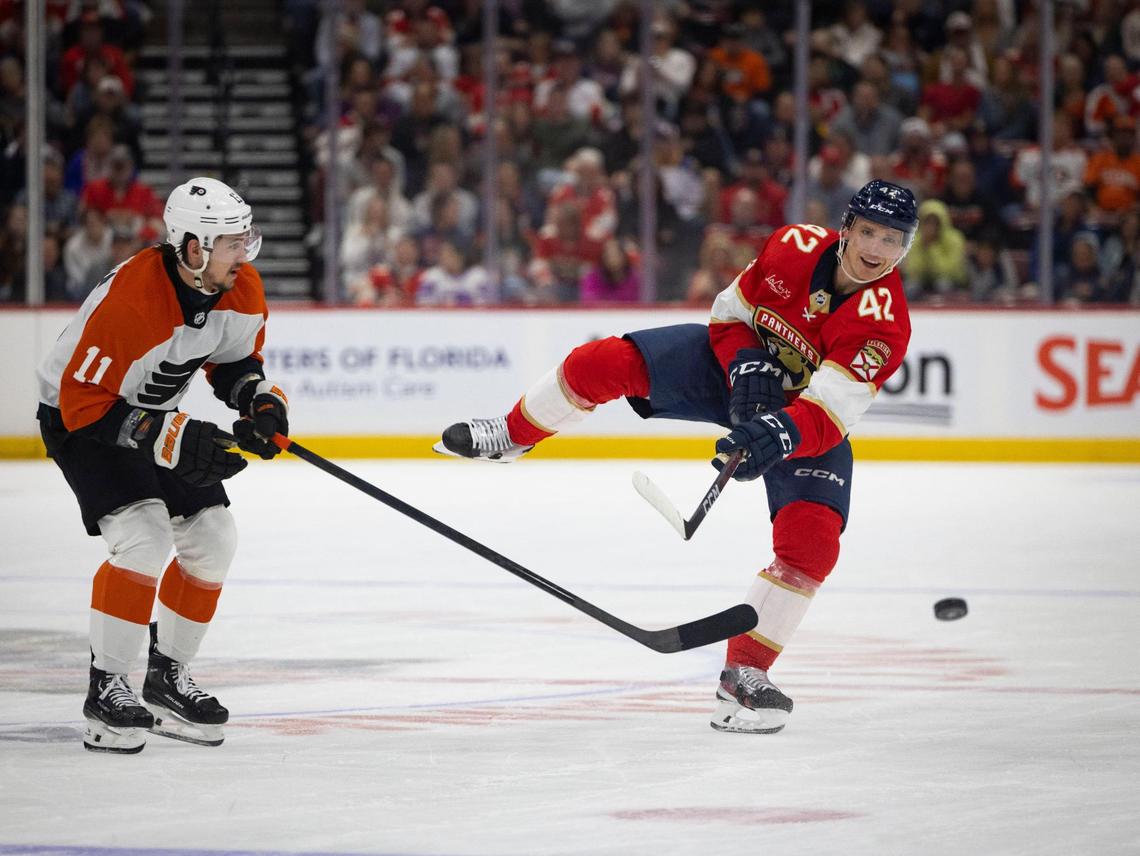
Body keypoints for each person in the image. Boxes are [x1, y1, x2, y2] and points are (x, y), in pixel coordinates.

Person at [434, 180, 918, 734]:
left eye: (893, 239)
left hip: (799, 418)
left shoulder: (885, 323)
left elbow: (828, 414)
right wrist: (743, 363)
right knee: (602, 361)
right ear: (847, 229)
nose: (878, 249)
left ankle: (745, 675)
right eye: (871, 232)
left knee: (813, 542)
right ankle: (513, 434)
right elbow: (729, 315)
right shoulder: (793, 246)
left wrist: (772, 436)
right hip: (732, 373)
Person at [36, 178, 290, 754]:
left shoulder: (238, 284)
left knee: (214, 535)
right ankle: (109, 688)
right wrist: (171, 436)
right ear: (193, 248)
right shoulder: (133, 299)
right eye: (232, 242)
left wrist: (259, 402)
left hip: (146, 412)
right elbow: (83, 406)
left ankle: (165, 674)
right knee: (143, 536)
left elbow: (234, 362)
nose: (245, 252)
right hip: (81, 419)